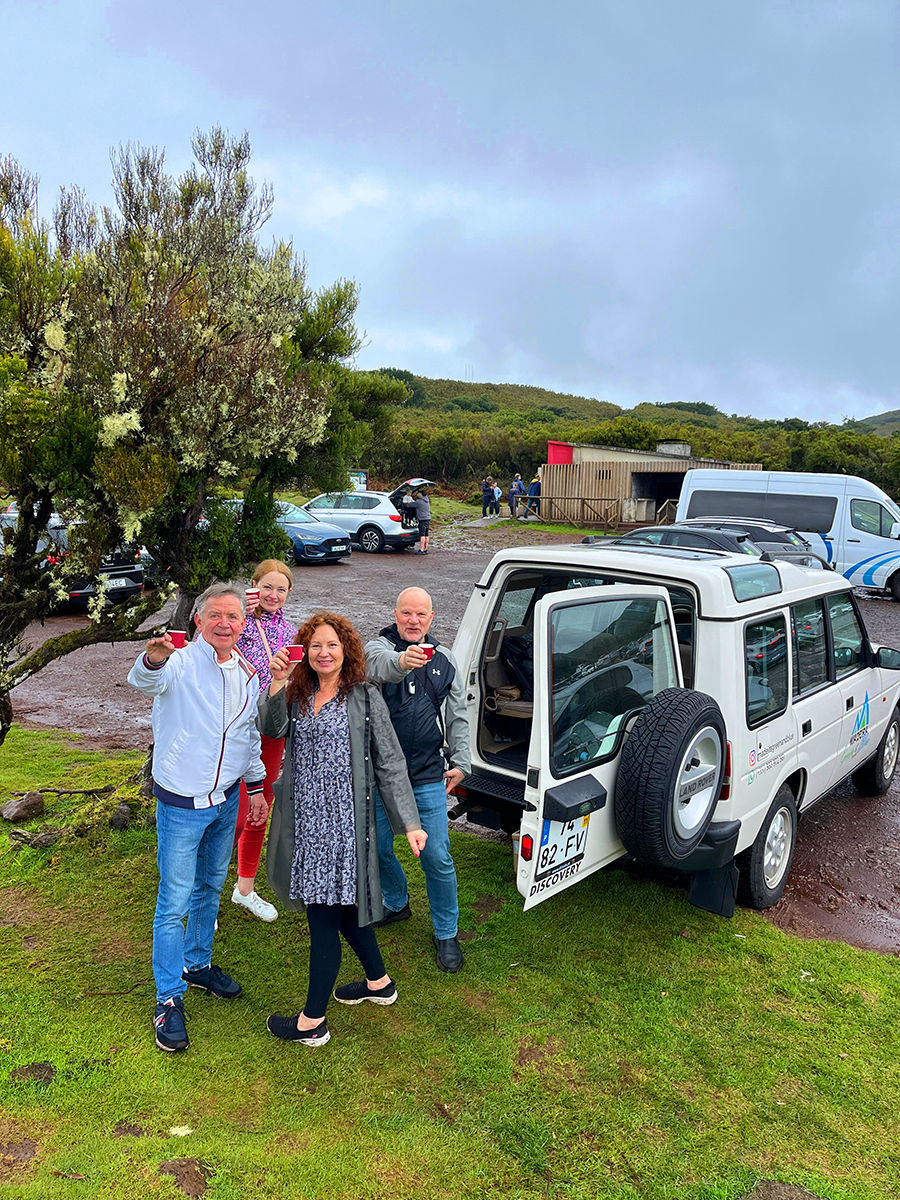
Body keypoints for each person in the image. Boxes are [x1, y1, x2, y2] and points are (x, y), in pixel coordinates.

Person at [261, 612, 427, 1047]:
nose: (323, 652)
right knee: (348, 910)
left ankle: (311, 1021)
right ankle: (379, 983)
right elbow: (270, 727)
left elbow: (390, 761)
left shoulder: (365, 696)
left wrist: (409, 821)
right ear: (306, 651)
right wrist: (276, 681)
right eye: (315, 645)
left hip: (346, 826)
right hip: (307, 823)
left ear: (346, 649)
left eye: (332, 644)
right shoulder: (298, 692)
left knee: (323, 918)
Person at [127, 582, 268, 1054]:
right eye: (216, 616)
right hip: (182, 805)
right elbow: (144, 680)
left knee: (210, 887)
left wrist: (254, 786)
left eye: (233, 616)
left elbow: (247, 734)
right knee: (173, 902)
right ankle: (168, 998)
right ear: (200, 621)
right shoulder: (179, 663)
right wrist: (153, 659)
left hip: (226, 801)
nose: (225, 623)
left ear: (242, 624)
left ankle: (197, 964)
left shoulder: (247, 671)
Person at [365, 586, 470, 973]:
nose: (413, 621)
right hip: (379, 773)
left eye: (421, 615)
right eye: (407, 613)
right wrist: (403, 661)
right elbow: (378, 666)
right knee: (375, 847)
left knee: (437, 856)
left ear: (431, 617)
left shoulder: (445, 658)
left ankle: (446, 932)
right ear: (395, 615)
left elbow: (458, 713)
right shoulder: (376, 649)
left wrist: (462, 761)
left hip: (427, 773)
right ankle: (396, 902)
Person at [230, 559, 297, 921]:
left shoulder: (291, 632)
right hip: (232, 730)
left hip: (269, 731)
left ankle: (245, 888)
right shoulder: (237, 621)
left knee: (259, 811)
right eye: (266, 587)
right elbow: (204, 648)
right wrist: (241, 612)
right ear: (254, 586)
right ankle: (201, 888)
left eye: (281, 589)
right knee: (234, 815)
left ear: (289, 594)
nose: (273, 595)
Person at [412, 488, 431, 555]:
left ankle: (421, 549)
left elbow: (410, 505)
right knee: (426, 534)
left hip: (422, 519)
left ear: (421, 495)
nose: (417, 494)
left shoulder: (419, 501)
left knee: (422, 535)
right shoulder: (427, 500)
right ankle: (425, 549)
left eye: (418, 493)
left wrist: (406, 502)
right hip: (427, 518)